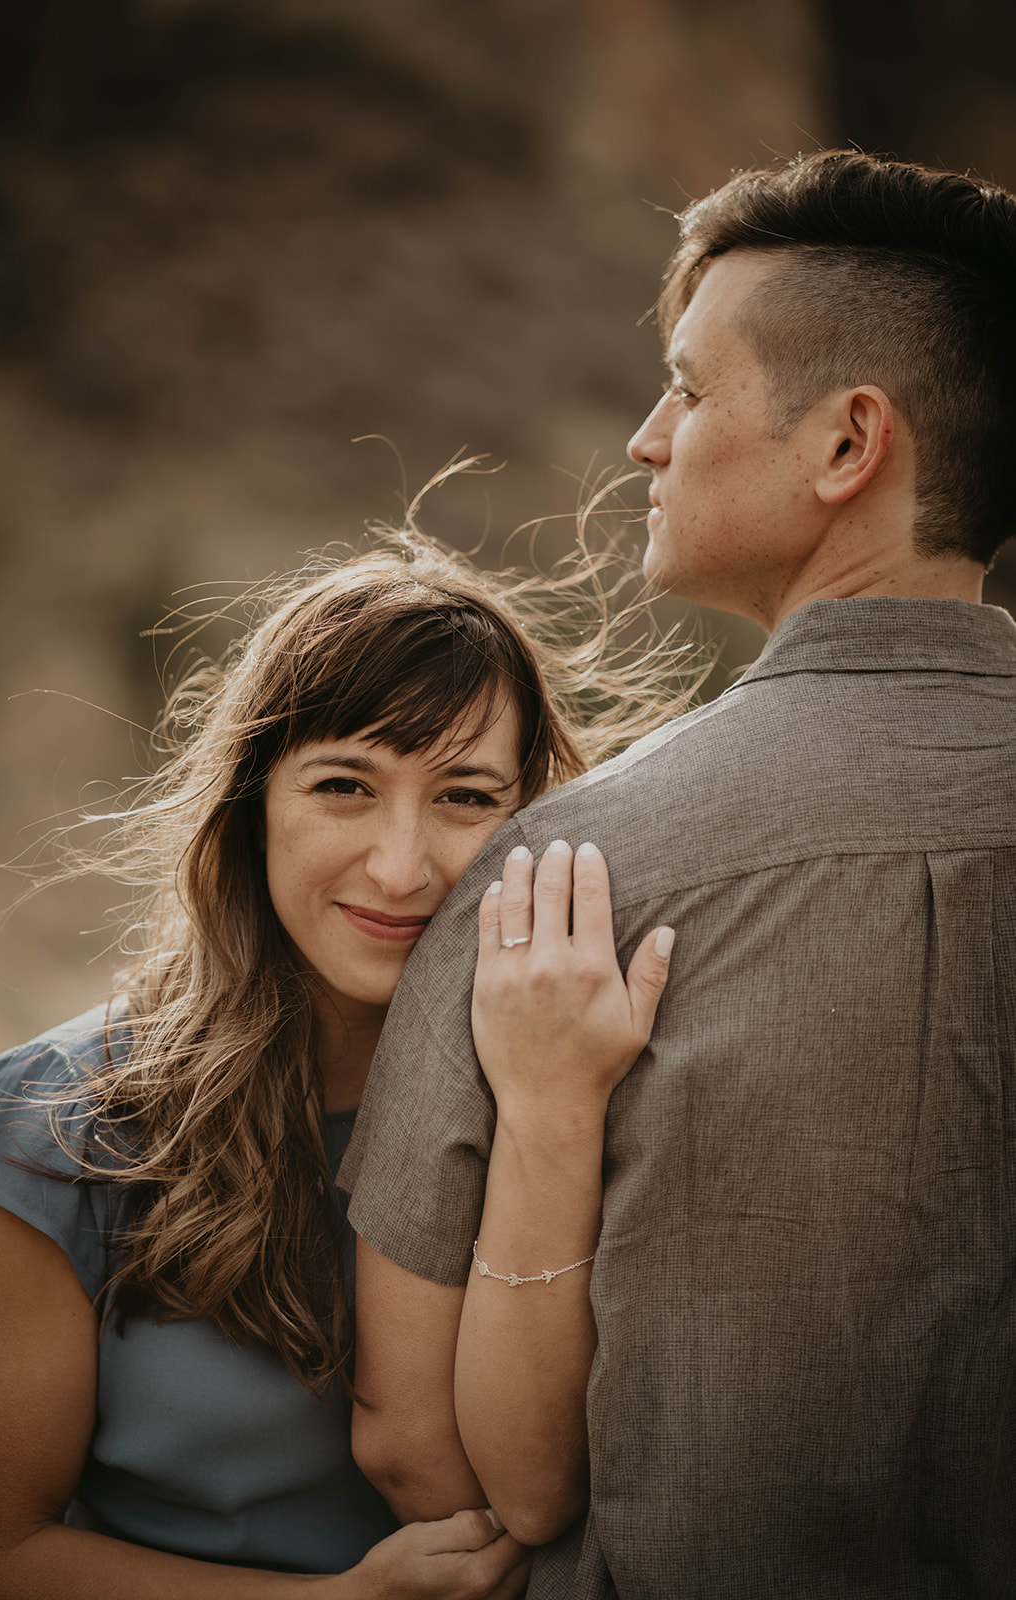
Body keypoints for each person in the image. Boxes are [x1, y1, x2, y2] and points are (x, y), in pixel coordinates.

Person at [341, 149, 1016, 1597]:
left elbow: (421, 1453)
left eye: (689, 388)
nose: (648, 440)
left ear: (847, 445)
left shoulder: (570, 873)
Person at [0, 533, 683, 1598]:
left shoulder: (592, 1091)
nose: (399, 864)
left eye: (465, 798)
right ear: (252, 806)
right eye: (344, 784)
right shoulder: (52, 1123)